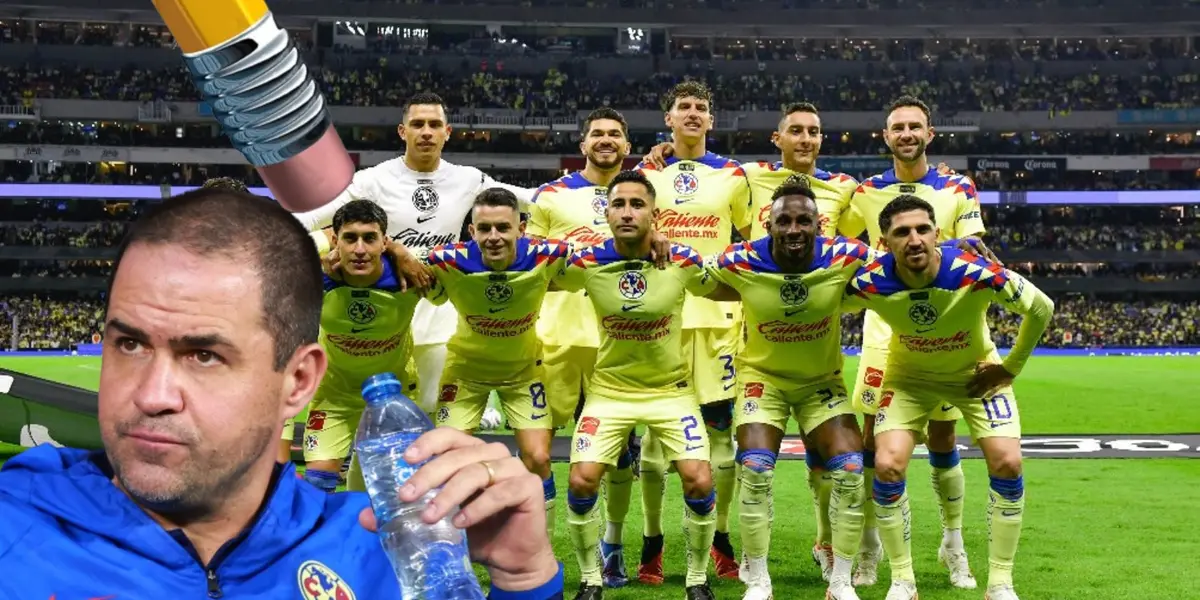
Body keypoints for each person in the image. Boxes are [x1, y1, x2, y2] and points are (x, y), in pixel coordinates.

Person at [0, 187, 564, 599]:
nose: (153, 395)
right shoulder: (17, 517)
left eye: (204, 355)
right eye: (129, 345)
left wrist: (525, 577)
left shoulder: (379, 551)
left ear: (296, 380)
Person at [642, 101, 860, 580]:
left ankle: (827, 542)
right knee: (732, 449)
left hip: (813, 346)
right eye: (795, 131)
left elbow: (888, 221)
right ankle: (685, 547)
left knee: (828, 460)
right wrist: (659, 156)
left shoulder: (846, 189)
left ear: (823, 139)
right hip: (749, 331)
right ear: (777, 139)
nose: (805, 139)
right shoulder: (745, 175)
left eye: (814, 131)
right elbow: (694, 176)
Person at [844, 195, 1053, 600]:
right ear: (885, 243)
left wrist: (1010, 368)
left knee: (1008, 463)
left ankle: (1000, 584)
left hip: (974, 375)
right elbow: (822, 306)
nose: (915, 239)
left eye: (923, 229)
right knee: (885, 464)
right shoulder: (871, 281)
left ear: (938, 234)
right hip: (908, 378)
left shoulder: (974, 271)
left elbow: (1041, 308)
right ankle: (903, 581)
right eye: (902, 232)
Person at [291, 92, 534, 422]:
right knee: (380, 410)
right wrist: (332, 257)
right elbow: (306, 221)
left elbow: (533, 201)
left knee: (432, 404)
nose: (426, 132)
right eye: (417, 124)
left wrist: (592, 190)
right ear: (402, 131)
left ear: (448, 132)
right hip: (384, 313)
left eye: (435, 125)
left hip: (438, 311)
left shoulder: (467, 179)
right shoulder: (373, 180)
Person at [838, 95, 997, 589]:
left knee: (945, 439)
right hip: (885, 330)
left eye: (915, 126)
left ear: (930, 134)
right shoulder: (864, 193)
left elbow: (972, 248)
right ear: (885, 137)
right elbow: (839, 235)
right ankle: (869, 546)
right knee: (873, 442)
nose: (906, 134)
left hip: (945, 332)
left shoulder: (956, 187)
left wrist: (935, 247)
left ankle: (954, 543)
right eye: (897, 127)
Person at [704, 177, 874, 600]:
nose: (794, 229)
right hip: (764, 382)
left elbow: (897, 267)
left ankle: (840, 582)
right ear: (769, 225)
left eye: (804, 221)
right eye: (784, 221)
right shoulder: (740, 260)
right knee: (756, 469)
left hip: (822, 384)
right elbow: (693, 275)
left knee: (852, 470)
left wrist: (948, 250)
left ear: (820, 225)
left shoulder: (848, 255)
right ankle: (758, 578)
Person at [556, 170, 719, 600]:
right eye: (619, 204)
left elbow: (726, 287)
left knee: (700, 481)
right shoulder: (587, 264)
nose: (627, 212)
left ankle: (697, 580)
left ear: (654, 213)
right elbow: (533, 263)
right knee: (581, 481)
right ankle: (591, 580)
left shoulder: (681, 261)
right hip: (609, 394)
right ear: (606, 214)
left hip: (672, 393)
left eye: (637, 204)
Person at [634, 80, 751, 583]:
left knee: (721, 431)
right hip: (658, 316)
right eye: (684, 107)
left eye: (702, 107)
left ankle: (721, 537)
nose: (693, 114)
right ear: (668, 119)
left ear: (712, 120)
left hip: (719, 318)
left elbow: (753, 236)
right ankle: (652, 541)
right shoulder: (644, 173)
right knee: (657, 438)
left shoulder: (734, 175)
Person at [525, 107, 642, 587]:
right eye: (597, 134)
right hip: (555, 337)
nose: (606, 140)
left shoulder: (639, 196)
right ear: (583, 144)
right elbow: (528, 264)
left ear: (627, 144)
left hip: (617, 340)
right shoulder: (550, 196)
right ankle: (541, 552)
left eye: (615, 134)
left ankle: (612, 546)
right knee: (538, 451)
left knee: (618, 452)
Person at [423, 187, 569, 536]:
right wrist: (397, 252)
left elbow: (604, 255)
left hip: (523, 374)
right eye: (484, 229)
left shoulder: (549, 255)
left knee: (539, 459)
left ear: (522, 228)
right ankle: (450, 547)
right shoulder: (445, 261)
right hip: (465, 374)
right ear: (471, 232)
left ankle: (538, 542)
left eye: (503, 228)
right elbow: (407, 269)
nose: (494, 237)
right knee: (445, 462)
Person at [292, 199, 421, 493]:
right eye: (350, 239)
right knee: (317, 483)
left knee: (391, 489)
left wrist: (401, 252)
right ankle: (322, 540)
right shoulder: (312, 278)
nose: (360, 249)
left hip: (392, 396)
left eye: (369, 239)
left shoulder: (409, 278)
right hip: (334, 394)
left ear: (384, 242)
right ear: (335, 240)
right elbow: (270, 252)